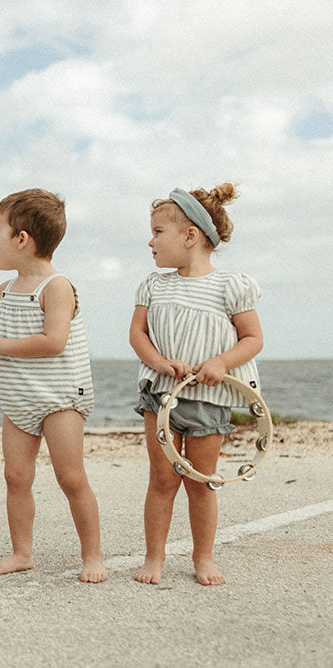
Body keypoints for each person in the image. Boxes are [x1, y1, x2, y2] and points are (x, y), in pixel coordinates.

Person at [0, 189, 106, 582]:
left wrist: (2, 344)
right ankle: (22, 552)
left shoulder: (57, 287)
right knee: (16, 477)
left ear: (21, 239)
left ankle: (92, 555)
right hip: (19, 398)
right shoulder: (5, 291)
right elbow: (15, 341)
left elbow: (53, 341)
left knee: (71, 477)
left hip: (60, 398)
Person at [130, 184, 263, 586]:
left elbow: (253, 339)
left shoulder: (231, 286)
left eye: (158, 232)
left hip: (209, 400)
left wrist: (221, 362)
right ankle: (154, 557)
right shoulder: (155, 285)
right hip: (161, 397)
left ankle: (203, 558)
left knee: (201, 484)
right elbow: (138, 334)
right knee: (162, 479)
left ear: (190, 236)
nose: (150, 241)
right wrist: (157, 361)